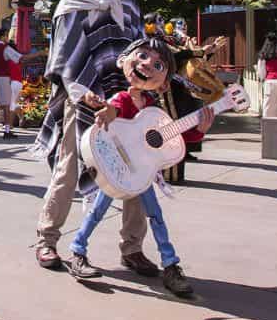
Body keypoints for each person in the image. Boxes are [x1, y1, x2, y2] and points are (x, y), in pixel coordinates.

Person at [33, 0, 152, 276]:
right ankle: (46, 240)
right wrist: (82, 91)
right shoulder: (71, 3)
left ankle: (132, 247)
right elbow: (64, 56)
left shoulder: (126, 4)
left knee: (136, 171)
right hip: (82, 96)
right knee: (69, 169)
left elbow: (138, 48)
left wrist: (138, 87)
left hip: (124, 99)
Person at [70, 36, 215, 297]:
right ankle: (77, 250)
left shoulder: (153, 110)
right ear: (124, 59)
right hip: (116, 170)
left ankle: (170, 265)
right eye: (143, 56)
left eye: (159, 65)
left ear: (163, 83)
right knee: (97, 212)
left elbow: (173, 139)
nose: (148, 64)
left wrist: (199, 131)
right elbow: (114, 109)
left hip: (142, 173)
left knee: (156, 217)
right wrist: (108, 113)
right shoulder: (122, 98)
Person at [0, 27, 21, 138]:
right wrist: (38, 55)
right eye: (6, 35)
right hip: (3, 77)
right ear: (3, 36)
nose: (7, 37)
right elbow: (19, 58)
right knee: (6, 105)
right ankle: (6, 131)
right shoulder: (5, 48)